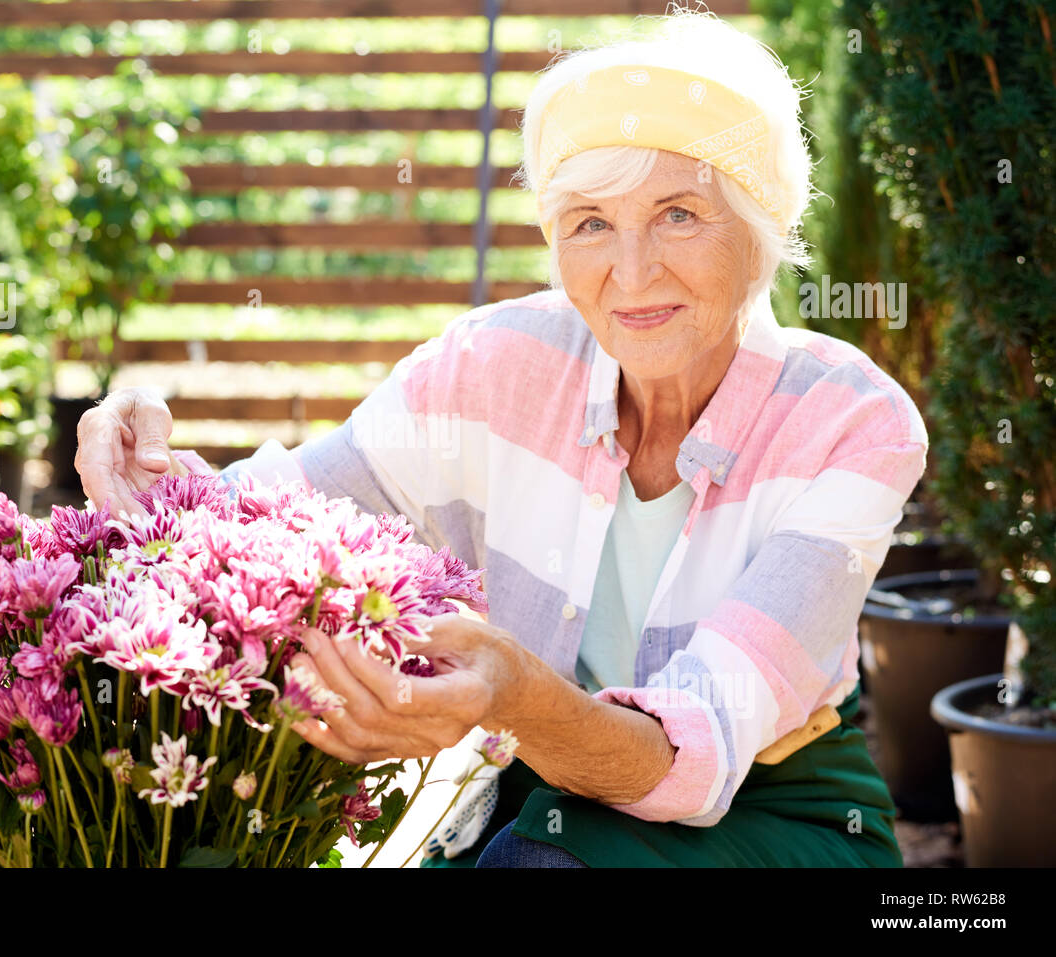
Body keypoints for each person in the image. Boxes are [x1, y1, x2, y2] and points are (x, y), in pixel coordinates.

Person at [75, 9, 926, 867]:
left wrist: (515, 695)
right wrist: (149, 463)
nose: (630, 272)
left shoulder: (851, 422)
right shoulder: (496, 363)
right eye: (590, 222)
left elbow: (693, 756)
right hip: (544, 793)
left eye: (677, 213)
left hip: (775, 804)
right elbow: (275, 519)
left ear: (762, 224)